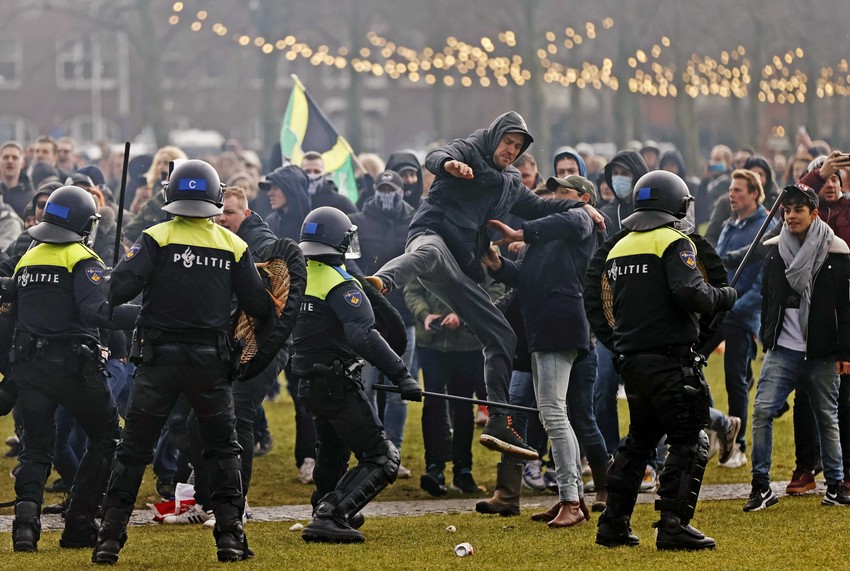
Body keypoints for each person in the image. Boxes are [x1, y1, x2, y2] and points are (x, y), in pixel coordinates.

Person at [367, 111, 602, 458]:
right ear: (495, 137)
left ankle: (498, 419)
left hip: (461, 265)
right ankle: (380, 283)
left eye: (517, 147)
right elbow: (434, 157)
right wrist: (450, 165)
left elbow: (538, 206)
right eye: (508, 142)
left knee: (502, 335)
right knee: (428, 252)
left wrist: (584, 209)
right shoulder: (473, 148)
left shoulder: (510, 182)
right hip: (432, 234)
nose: (510, 151)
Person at [93, 160, 274, 564]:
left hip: (159, 362)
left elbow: (117, 290)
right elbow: (259, 306)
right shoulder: (234, 245)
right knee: (223, 449)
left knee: (134, 450)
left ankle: (108, 539)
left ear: (170, 196)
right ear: (215, 196)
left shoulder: (155, 236)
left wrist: (110, 270)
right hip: (211, 363)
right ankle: (230, 537)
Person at [589, 170, 737, 550]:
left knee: (638, 441)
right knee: (689, 440)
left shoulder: (619, 248)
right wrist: (724, 295)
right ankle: (673, 524)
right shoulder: (674, 241)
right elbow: (693, 294)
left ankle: (613, 524)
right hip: (672, 362)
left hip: (632, 363)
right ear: (676, 204)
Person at [3, 185, 138, 552]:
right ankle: (79, 522)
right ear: (85, 223)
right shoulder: (84, 257)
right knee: (107, 435)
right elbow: (94, 312)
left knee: (36, 449)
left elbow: (11, 319)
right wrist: (143, 315)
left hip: (30, 368)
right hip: (76, 368)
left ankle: (25, 529)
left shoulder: (27, 259)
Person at [293, 206, 422, 543]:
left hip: (310, 384)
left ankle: (325, 503)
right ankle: (331, 514)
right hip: (336, 383)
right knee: (382, 457)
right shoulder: (341, 283)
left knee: (333, 450)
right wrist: (402, 375)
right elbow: (363, 335)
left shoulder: (302, 278)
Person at [483, 174, 605, 527]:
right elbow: (525, 278)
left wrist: (520, 232)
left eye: (563, 192)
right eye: (553, 192)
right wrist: (496, 263)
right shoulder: (552, 237)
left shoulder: (582, 217)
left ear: (582, 197)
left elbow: (568, 218)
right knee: (554, 412)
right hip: (545, 326)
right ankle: (574, 496)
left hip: (559, 325)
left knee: (553, 413)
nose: (554, 196)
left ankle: (570, 500)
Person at [744, 184, 850, 511]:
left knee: (826, 418)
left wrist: (845, 352)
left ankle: (835, 485)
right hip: (782, 350)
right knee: (762, 412)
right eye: (787, 210)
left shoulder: (837, 250)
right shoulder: (774, 249)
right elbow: (767, 297)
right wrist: (767, 337)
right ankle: (760, 486)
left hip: (821, 352)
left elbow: (845, 307)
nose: (791, 216)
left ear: (814, 213)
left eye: (798, 209)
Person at [350, 171, 417, 479]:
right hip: (368, 316)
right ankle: (371, 451)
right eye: (382, 188)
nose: (386, 193)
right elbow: (349, 261)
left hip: (403, 317)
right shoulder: (359, 221)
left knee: (396, 390)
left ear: (402, 191)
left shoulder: (414, 221)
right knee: (363, 386)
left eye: (392, 188)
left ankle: (395, 452)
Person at [706, 169, 775, 468]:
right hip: (718, 310)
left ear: (755, 194)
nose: (731, 195)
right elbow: (720, 261)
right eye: (731, 190)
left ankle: (739, 446)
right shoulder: (728, 223)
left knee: (736, 379)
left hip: (742, 315)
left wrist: (731, 306)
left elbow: (761, 284)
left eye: (738, 191)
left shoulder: (765, 226)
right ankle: (715, 427)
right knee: (691, 361)